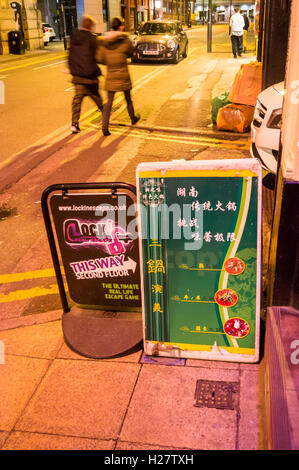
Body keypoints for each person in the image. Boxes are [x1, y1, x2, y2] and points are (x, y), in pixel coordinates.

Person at [97, 17, 139, 136]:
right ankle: (133, 118)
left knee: (109, 102)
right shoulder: (125, 40)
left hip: (111, 76)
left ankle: (105, 127)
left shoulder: (104, 42)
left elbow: (100, 59)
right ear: (120, 27)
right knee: (128, 99)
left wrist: (109, 61)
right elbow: (131, 53)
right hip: (123, 75)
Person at [68, 16, 103, 134]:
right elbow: (97, 57)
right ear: (91, 26)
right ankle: (106, 118)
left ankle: (74, 124)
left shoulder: (74, 37)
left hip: (78, 76)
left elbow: (70, 56)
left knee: (77, 101)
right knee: (98, 99)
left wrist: (72, 70)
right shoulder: (92, 39)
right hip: (90, 77)